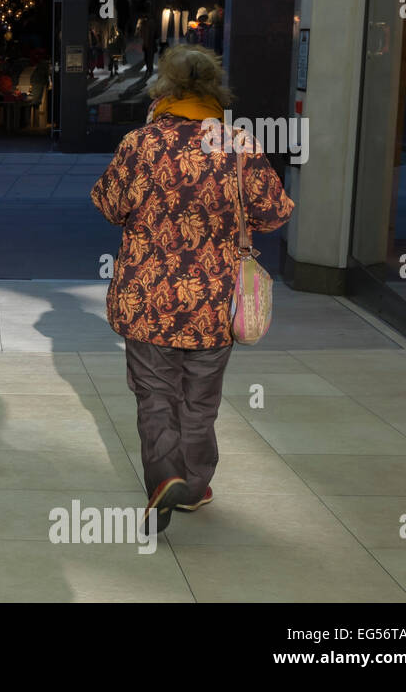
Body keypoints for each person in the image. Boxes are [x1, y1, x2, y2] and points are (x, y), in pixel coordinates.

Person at [90, 44, 294, 534]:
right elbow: (275, 212)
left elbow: (110, 205)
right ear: (214, 90)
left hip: (147, 297)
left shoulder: (141, 143)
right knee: (200, 398)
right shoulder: (238, 143)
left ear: (163, 89)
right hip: (214, 299)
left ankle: (165, 478)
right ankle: (196, 482)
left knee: (154, 394)